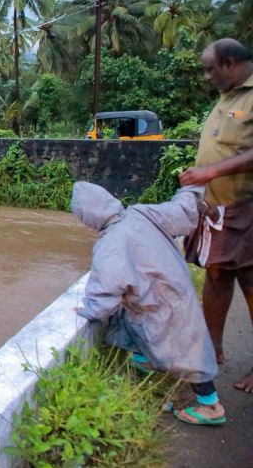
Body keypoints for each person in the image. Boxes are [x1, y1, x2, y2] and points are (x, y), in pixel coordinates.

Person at [71, 181, 225, 426]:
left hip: (157, 307)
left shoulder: (109, 245)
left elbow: (104, 292)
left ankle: (211, 407)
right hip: (179, 293)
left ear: (87, 217)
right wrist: (191, 188)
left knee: (190, 356)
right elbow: (182, 211)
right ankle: (149, 361)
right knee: (185, 344)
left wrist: (88, 310)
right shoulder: (142, 213)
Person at [179, 38, 253, 393]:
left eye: (210, 68)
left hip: (246, 206)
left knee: (251, 283)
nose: (206, 76)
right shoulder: (227, 98)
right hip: (216, 209)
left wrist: (210, 173)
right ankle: (213, 348)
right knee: (217, 274)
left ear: (229, 64)